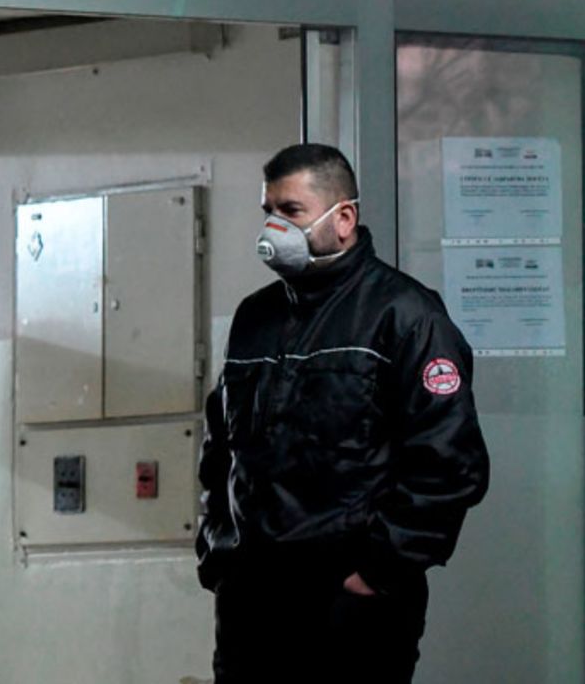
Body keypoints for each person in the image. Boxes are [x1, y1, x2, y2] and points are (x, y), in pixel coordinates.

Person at [196, 143, 490, 684]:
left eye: (291, 211)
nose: (272, 227)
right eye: (268, 211)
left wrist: (379, 572)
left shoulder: (405, 316)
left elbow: (451, 463)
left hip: (351, 604)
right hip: (252, 602)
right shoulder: (254, 317)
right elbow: (220, 446)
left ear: (344, 218)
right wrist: (218, 547)